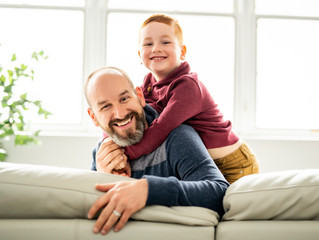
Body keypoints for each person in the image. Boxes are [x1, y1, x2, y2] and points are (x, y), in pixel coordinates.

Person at [109, 13, 259, 184]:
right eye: (148, 43)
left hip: (234, 163)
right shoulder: (148, 83)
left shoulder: (188, 86)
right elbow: (136, 114)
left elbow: (160, 129)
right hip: (201, 161)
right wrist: (110, 141)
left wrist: (123, 154)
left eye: (165, 42)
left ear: (182, 51)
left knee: (230, 207)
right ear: (139, 54)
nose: (156, 48)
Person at [85, 66, 229, 234]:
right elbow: (89, 213)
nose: (119, 113)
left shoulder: (177, 138)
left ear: (139, 96)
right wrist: (102, 177)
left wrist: (148, 190)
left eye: (124, 99)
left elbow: (219, 192)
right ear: (94, 117)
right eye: (105, 107)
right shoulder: (101, 154)